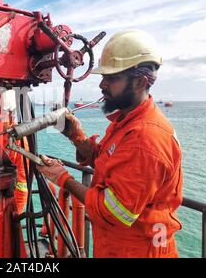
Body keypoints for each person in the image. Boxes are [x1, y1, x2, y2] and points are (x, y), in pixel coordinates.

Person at [37, 29, 183, 258]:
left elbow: (114, 211)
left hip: (140, 250)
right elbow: (107, 161)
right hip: (119, 247)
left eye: (112, 78)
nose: (101, 85)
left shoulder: (146, 138)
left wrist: (62, 178)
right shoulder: (127, 120)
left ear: (140, 82)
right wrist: (76, 136)